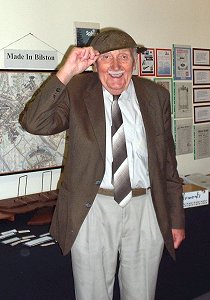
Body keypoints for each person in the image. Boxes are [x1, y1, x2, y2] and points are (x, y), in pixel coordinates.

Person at [20, 29, 185, 300]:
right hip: (92, 207)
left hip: (146, 207)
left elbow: (168, 162)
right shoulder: (77, 91)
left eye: (123, 57)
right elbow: (33, 123)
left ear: (135, 61)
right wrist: (67, 71)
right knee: (92, 293)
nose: (116, 66)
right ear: (95, 63)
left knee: (142, 292)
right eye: (107, 58)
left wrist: (176, 218)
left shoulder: (155, 96)